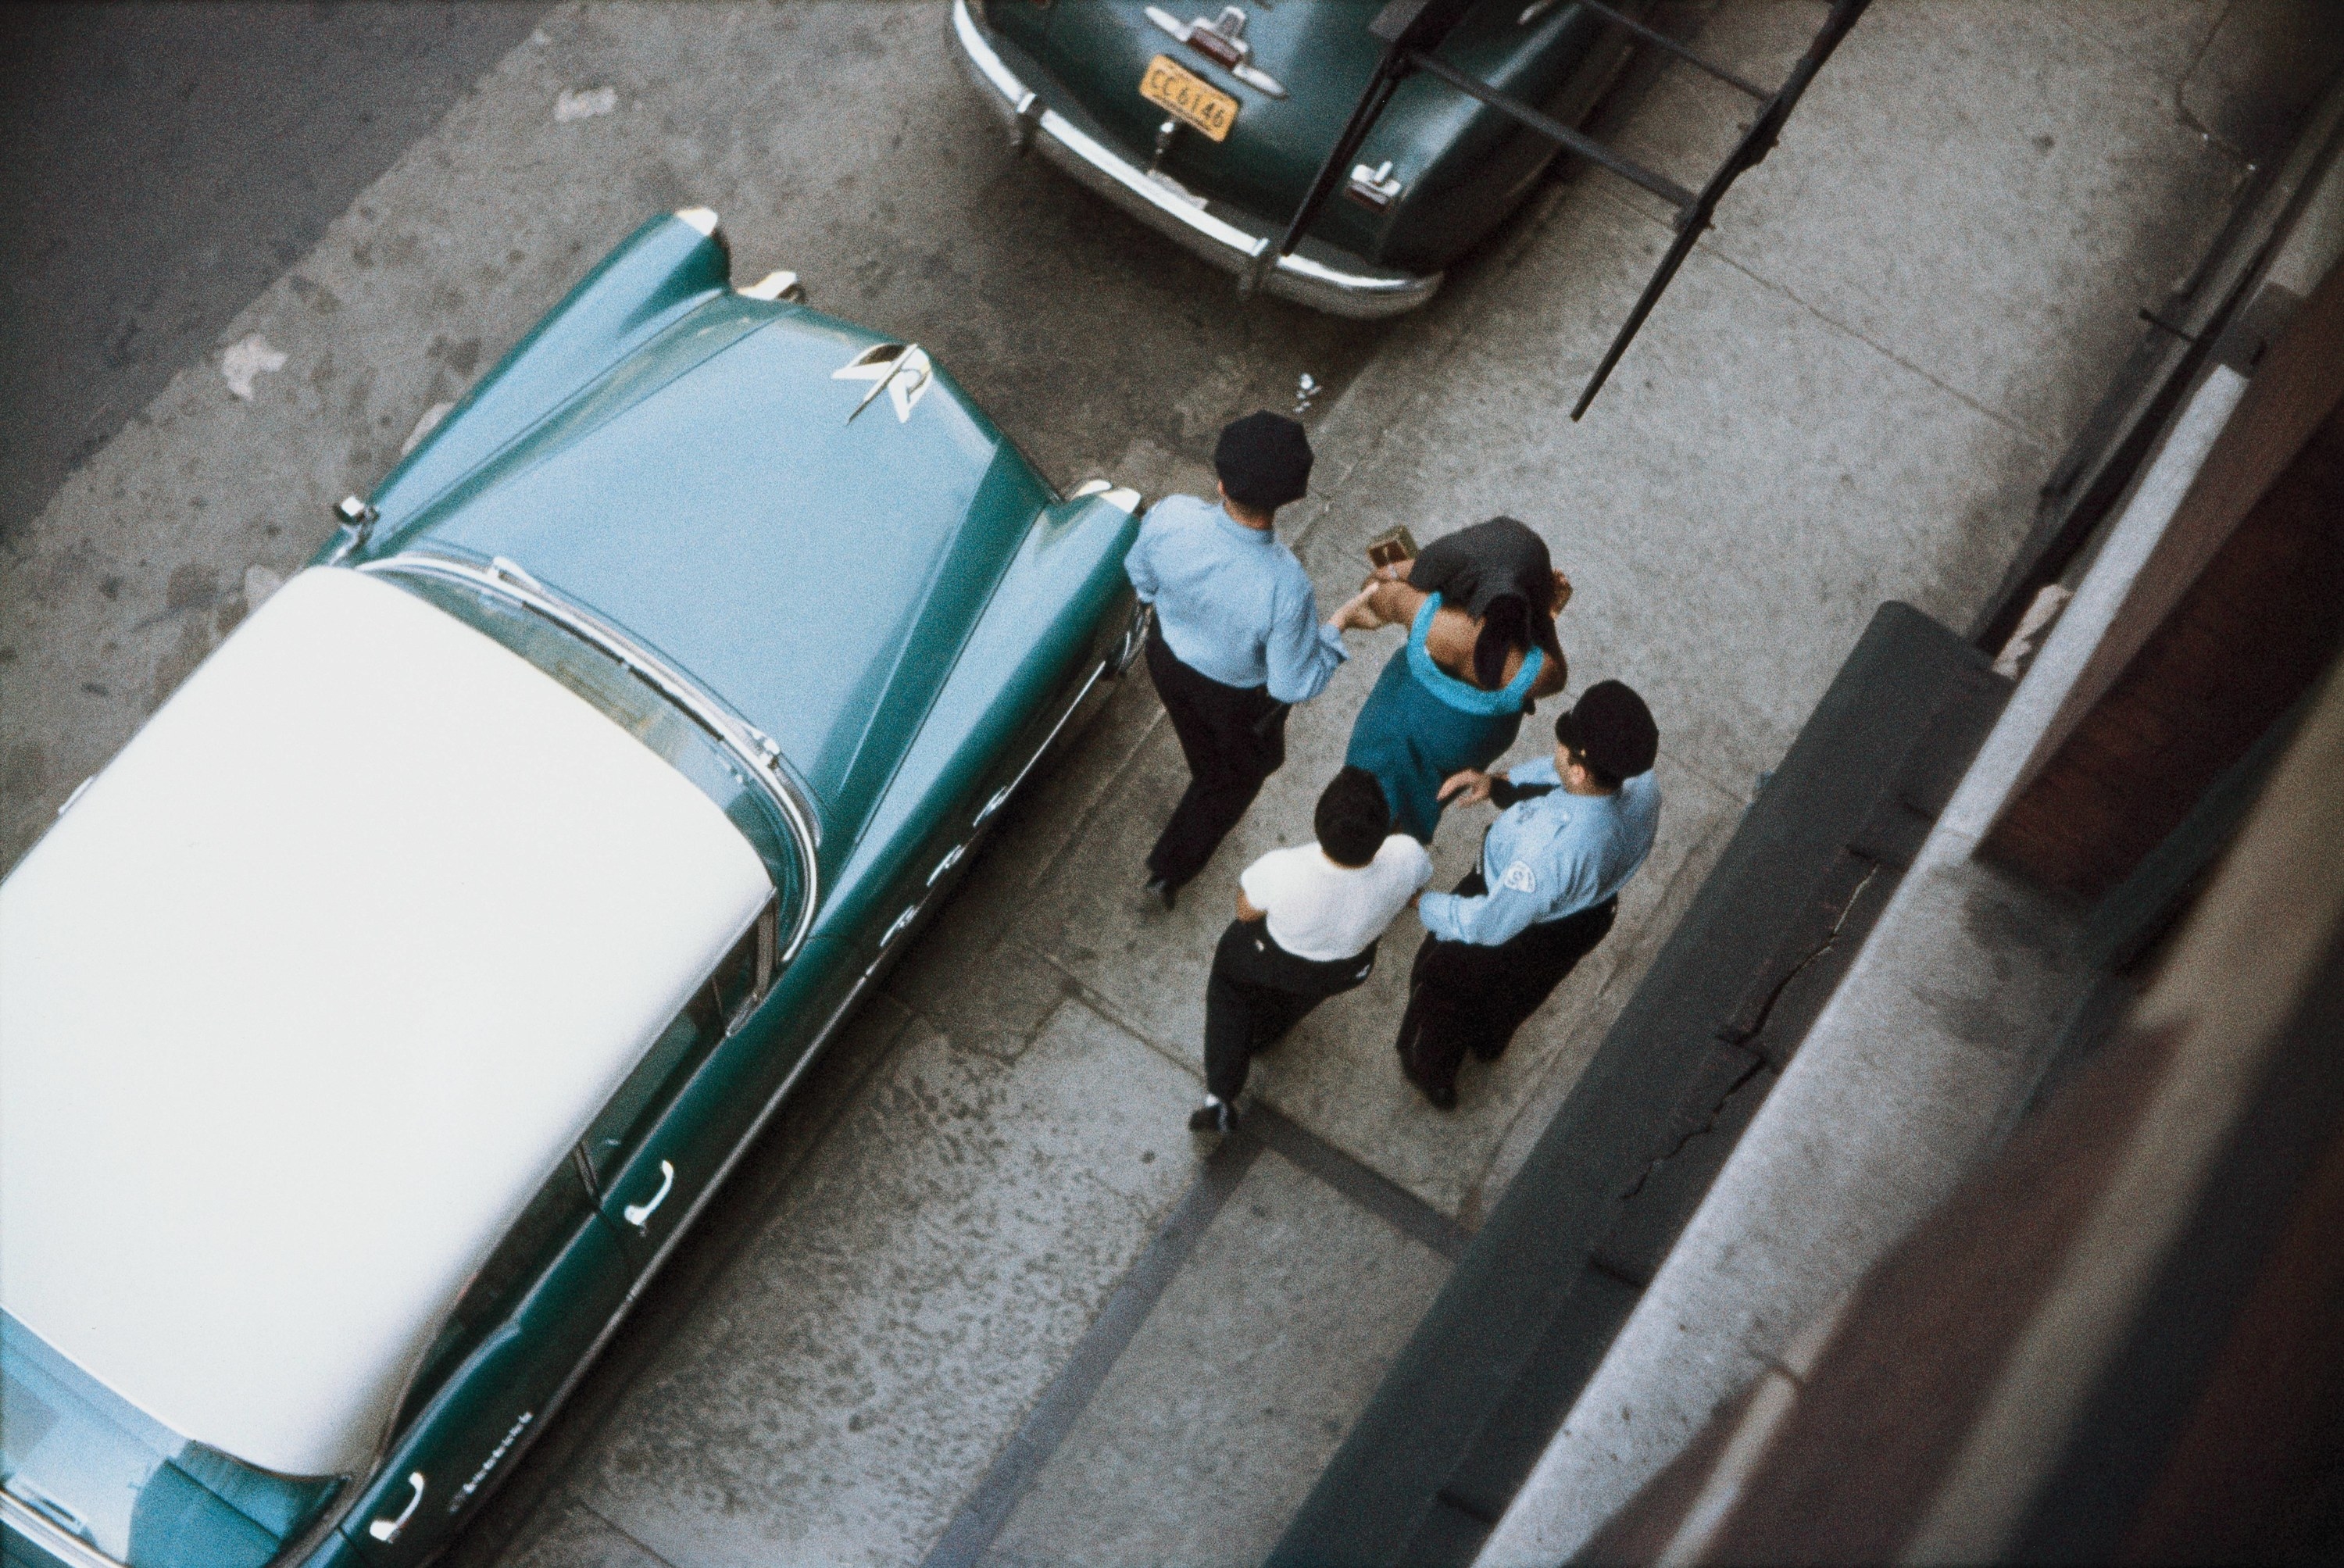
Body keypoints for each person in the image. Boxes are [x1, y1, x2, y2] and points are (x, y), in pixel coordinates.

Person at [1124, 413, 1375, 909]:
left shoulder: (1171, 515)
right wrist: (1338, 626)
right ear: (1290, 498)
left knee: (1201, 745)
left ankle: (1203, 773)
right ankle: (1168, 870)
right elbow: (1291, 683)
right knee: (1238, 776)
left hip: (1167, 659)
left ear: (1221, 480)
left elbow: (1143, 579)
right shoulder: (1288, 586)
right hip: (1232, 697)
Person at [1395, 680, 1661, 1108]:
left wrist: (1420, 902)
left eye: (1564, 744)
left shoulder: (1548, 852)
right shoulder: (1641, 782)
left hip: (1514, 914)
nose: (1557, 745)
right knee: (1518, 994)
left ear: (1578, 771)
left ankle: (1428, 1066)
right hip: (1583, 918)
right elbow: (1555, 777)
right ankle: (1488, 1042)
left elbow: (1485, 924)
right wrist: (1500, 785)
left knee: (1442, 985)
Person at [1190, 767, 1433, 1133]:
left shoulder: (1283, 867)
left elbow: (1245, 911)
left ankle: (1220, 1097)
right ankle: (1264, 1035)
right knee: (1294, 1000)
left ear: (1319, 820)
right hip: (1342, 968)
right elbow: (1417, 886)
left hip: (1267, 956)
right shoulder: (1407, 855)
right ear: (1384, 829)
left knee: (1231, 994)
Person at [1341, 571, 1569, 845]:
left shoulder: (1426, 610)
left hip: (1392, 721)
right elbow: (1554, 668)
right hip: (1465, 739)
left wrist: (1413, 568)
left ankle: (1347, 840)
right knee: (1425, 798)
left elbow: (1371, 589)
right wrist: (1549, 615)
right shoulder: (1538, 671)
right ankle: (1401, 848)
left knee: (1359, 795)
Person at [1385, 514, 1570, 669]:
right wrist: (1549, 614)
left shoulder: (1423, 613)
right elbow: (1555, 672)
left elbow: (1379, 587)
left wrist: (1396, 574)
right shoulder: (1522, 673)